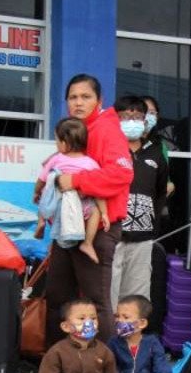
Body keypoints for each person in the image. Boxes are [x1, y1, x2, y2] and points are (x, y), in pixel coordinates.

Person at [44, 74, 133, 346]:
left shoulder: (107, 129)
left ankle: (105, 369)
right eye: (73, 97)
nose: (78, 103)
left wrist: (75, 181)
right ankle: (55, 365)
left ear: (99, 100)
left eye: (86, 97)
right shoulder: (75, 130)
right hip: (66, 229)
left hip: (97, 231)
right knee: (58, 299)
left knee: (96, 302)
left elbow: (121, 174)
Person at [108, 96, 168, 307]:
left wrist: (152, 228)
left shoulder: (156, 152)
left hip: (143, 240)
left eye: (137, 116)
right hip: (112, 236)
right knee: (108, 298)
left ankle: (130, 340)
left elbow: (161, 193)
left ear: (145, 121)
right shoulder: (109, 149)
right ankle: (108, 339)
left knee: (135, 302)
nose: (131, 121)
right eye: (125, 116)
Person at [34, 118, 110, 263]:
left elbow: (42, 179)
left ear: (63, 144)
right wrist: (105, 213)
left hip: (57, 205)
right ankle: (87, 243)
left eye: (56, 141)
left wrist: (36, 192)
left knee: (47, 193)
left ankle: (41, 222)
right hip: (82, 207)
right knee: (95, 211)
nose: (56, 144)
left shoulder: (56, 159)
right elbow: (98, 191)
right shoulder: (91, 163)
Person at [108, 294, 171, 373]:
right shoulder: (113, 343)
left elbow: (163, 370)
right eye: (117, 316)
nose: (119, 320)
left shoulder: (152, 343)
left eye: (126, 317)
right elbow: (109, 372)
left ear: (142, 323)